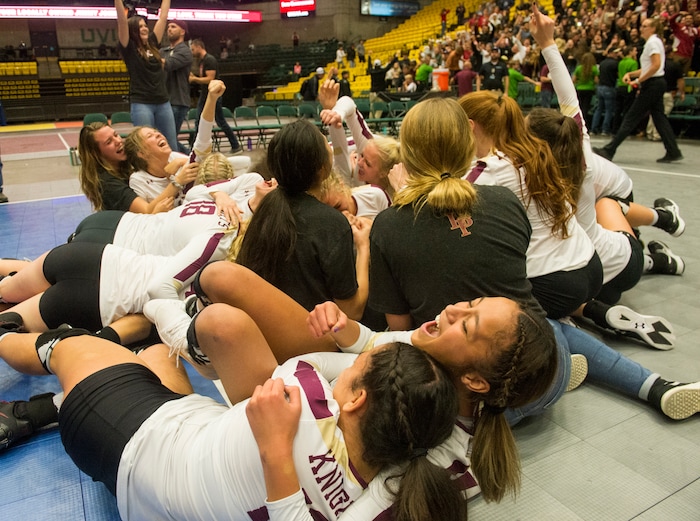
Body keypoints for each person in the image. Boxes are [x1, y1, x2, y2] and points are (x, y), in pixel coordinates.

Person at [0, 324, 465, 521]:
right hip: (175, 474)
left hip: (133, 443)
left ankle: (8, 334)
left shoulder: (300, 392)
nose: (345, 369)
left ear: (358, 398)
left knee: (65, 344)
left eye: (355, 371)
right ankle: (65, 397)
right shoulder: (392, 484)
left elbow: (317, 361)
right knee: (159, 354)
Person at [459, 91, 601, 320]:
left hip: (553, 280)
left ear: (469, 125)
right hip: (590, 264)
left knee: (480, 310)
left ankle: (557, 342)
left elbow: (444, 205)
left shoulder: (490, 169)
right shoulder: (535, 151)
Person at [236, 120, 369, 321]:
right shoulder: (330, 223)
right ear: (323, 170)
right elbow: (351, 312)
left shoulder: (265, 208)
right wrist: (363, 248)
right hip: (313, 340)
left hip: (263, 329)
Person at [593, 17, 683, 163]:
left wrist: (638, 80)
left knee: (631, 117)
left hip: (652, 84)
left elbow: (655, 66)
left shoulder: (652, 42)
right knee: (660, 119)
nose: (642, 28)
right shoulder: (655, 42)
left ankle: (610, 149)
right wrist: (632, 74)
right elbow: (651, 67)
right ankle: (673, 151)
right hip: (657, 83)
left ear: (653, 28)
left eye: (645, 26)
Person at [114, 0, 178, 152]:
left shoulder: (152, 43)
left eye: (145, 25)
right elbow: (122, 22)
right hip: (142, 103)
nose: (144, 28)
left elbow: (163, 17)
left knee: (171, 146)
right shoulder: (128, 47)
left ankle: (175, 175)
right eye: (140, 26)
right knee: (147, 148)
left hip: (163, 102)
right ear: (133, 30)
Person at [188, 39, 242, 155]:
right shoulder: (202, 61)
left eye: (193, 49)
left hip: (213, 95)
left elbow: (210, 79)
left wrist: (194, 79)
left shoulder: (209, 60)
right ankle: (194, 148)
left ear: (198, 47)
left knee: (219, 121)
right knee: (199, 121)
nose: (192, 52)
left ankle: (235, 145)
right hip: (205, 94)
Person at [160, 19, 193, 154]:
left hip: (177, 100)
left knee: (168, 138)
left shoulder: (185, 51)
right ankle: (191, 158)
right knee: (166, 138)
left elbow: (168, 64)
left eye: (173, 27)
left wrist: (149, 54)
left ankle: (191, 159)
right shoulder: (163, 50)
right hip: (163, 100)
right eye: (168, 27)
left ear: (182, 31)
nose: (169, 29)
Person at [591, 47, 620, 136]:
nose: (616, 54)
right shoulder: (615, 64)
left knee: (599, 109)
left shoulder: (602, 63)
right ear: (611, 53)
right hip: (609, 87)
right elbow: (618, 75)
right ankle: (605, 129)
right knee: (608, 110)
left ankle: (593, 128)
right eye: (615, 53)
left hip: (600, 87)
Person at [572, 52, 599, 129]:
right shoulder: (594, 69)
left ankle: (577, 123)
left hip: (579, 89)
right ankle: (585, 124)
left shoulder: (578, 68)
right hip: (589, 89)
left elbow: (573, 80)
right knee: (586, 107)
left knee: (579, 106)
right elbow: (596, 80)